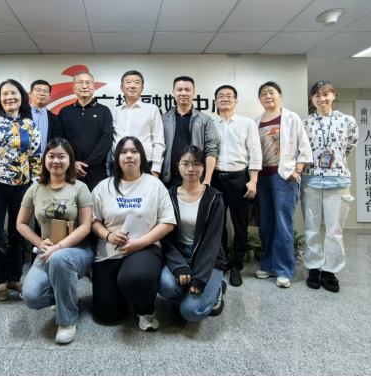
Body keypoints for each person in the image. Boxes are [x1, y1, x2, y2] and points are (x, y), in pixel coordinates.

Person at [92, 136, 176, 331]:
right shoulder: (103, 187)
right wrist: (108, 235)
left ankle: (144, 309)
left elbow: (168, 222)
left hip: (145, 247)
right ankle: (123, 290)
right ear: (117, 158)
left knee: (136, 278)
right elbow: (93, 220)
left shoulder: (154, 185)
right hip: (109, 251)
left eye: (134, 151)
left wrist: (140, 243)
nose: (129, 156)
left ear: (142, 157)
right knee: (107, 315)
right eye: (123, 152)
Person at [19, 138, 94, 345]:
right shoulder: (35, 189)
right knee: (31, 297)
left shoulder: (80, 188)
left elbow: (86, 226)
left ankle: (67, 321)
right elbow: (21, 223)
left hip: (79, 251)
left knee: (60, 258)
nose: (56, 161)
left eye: (62, 156)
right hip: (47, 251)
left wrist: (60, 247)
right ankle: (64, 295)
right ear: (45, 159)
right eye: (51, 156)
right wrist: (40, 243)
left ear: (70, 160)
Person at [0, 79, 42, 301]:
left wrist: (36, 189)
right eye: (4, 94)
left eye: (14, 93)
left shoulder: (30, 125)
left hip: (22, 187)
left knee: (18, 234)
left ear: (22, 97)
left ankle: (14, 277)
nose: (9, 97)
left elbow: (35, 159)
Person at [254, 82, 313, 289]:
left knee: (283, 223)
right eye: (263, 94)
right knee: (266, 224)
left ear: (280, 95)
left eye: (272, 92)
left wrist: (297, 170)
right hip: (262, 178)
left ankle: (283, 270)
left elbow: (304, 146)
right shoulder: (256, 121)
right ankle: (268, 265)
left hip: (283, 178)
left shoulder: (291, 118)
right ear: (259, 99)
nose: (268, 96)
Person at [301, 81, 358, 293]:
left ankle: (330, 270)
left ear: (333, 95)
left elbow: (350, 145)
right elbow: (302, 150)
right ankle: (313, 268)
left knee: (335, 230)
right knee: (311, 228)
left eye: (325, 94)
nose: (321, 99)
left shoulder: (347, 120)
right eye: (317, 95)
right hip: (311, 180)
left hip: (338, 181)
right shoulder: (305, 123)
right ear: (312, 99)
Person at [159, 146, 227, 322]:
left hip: (208, 260)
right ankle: (186, 288)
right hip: (180, 254)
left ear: (203, 167)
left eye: (196, 164)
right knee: (165, 286)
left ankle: (217, 288)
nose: (191, 168)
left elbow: (212, 243)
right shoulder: (169, 196)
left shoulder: (214, 198)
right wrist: (178, 266)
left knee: (190, 311)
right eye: (186, 163)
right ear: (178, 166)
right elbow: (165, 238)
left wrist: (200, 278)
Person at [212, 85, 262, 288]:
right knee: (217, 223)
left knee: (240, 225)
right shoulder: (210, 124)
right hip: (215, 179)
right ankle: (221, 261)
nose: (225, 99)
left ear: (236, 101)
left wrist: (253, 180)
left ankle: (236, 265)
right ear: (215, 102)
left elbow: (255, 153)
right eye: (221, 96)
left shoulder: (247, 123)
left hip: (239, 179)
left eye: (229, 96)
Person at [54, 71, 113, 192]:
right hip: (69, 169)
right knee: (69, 201)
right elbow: (58, 139)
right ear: (73, 88)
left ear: (94, 87)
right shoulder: (64, 111)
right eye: (80, 82)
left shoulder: (104, 111)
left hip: (96, 170)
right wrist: (72, 162)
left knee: (95, 202)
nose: (84, 86)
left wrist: (88, 165)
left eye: (88, 83)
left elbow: (106, 140)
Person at [162, 76, 219, 188]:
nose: (183, 93)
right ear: (173, 93)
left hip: (196, 178)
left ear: (193, 93)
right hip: (169, 179)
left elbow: (211, 150)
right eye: (179, 90)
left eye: (187, 90)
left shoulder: (205, 120)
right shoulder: (163, 119)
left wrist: (207, 180)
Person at [111, 70, 165, 177]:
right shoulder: (114, 111)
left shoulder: (152, 109)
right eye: (128, 82)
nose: (132, 86)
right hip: (118, 166)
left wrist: (155, 169)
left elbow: (158, 142)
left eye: (136, 82)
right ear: (122, 88)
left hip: (144, 166)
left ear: (142, 88)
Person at [29, 79, 56, 155]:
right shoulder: (21, 114)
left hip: (46, 160)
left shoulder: (54, 118)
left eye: (45, 91)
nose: (42, 94)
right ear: (30, 94)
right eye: (38, 90)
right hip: (24, 160)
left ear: (49, 96)